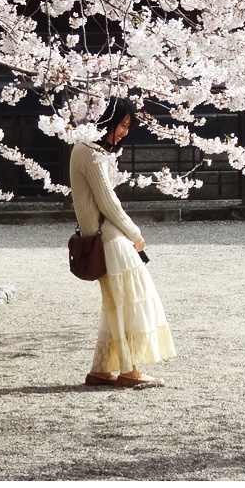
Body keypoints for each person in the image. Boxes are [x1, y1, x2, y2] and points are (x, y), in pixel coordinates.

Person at [69, 97, 176, 388]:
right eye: (123, 124)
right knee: (129, 300)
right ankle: (130, 371)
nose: (125, 132)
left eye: (129, 126)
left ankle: (101, 369)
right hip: (109, 236)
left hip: (104, 236)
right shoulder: (89, 150)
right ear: (107, 120)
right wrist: (134, 232)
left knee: (117, 303)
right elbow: (107, 201)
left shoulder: (91, 149)